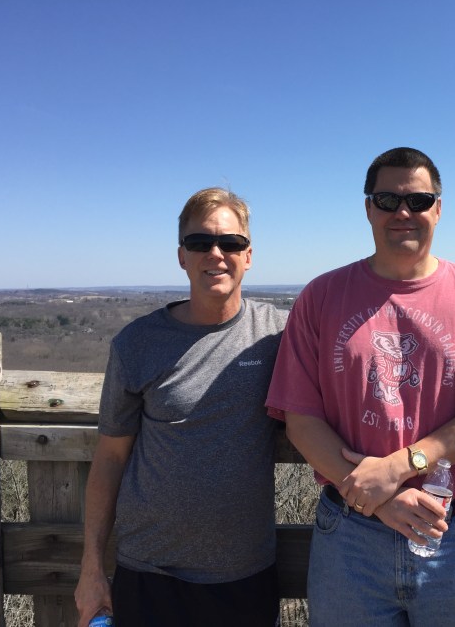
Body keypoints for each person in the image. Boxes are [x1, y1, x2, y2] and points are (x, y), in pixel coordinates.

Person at [265, 147, 455, 626]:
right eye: (388, 200)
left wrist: (399, 467)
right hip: (350, 534)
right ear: (368, 208)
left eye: (418, 200)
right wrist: (378, 499)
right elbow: (301, 418)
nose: (403, 212)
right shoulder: (321, 296)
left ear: (439, 208)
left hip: (453, 530)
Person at [74, 187, 288, 627]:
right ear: (181, 256)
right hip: (148, 572)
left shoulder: (280, 335)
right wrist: (92, 567)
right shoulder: (137, 343)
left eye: (231, 243)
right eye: (200, 242)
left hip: (244, 575)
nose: (216, 253)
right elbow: (110, 458)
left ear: (249, 256)